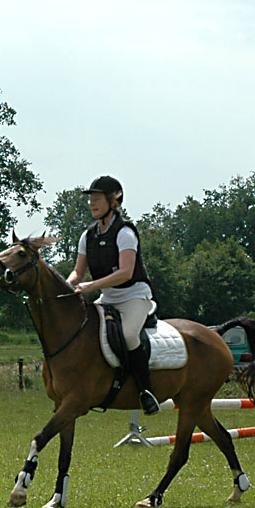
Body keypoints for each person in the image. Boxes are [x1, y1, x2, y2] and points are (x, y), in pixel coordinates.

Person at [66, 175, 161, 415]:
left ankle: (145, 391)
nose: (92, 203)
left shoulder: (125, 232)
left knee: (128, 335)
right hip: (108, 297)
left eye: (97, 199)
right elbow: (78, 272)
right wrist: (66, 286)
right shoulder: (88, 235)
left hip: (134, 296)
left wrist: (91, 286)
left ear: (113, 201)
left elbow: (125, 273)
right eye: (91, 199)